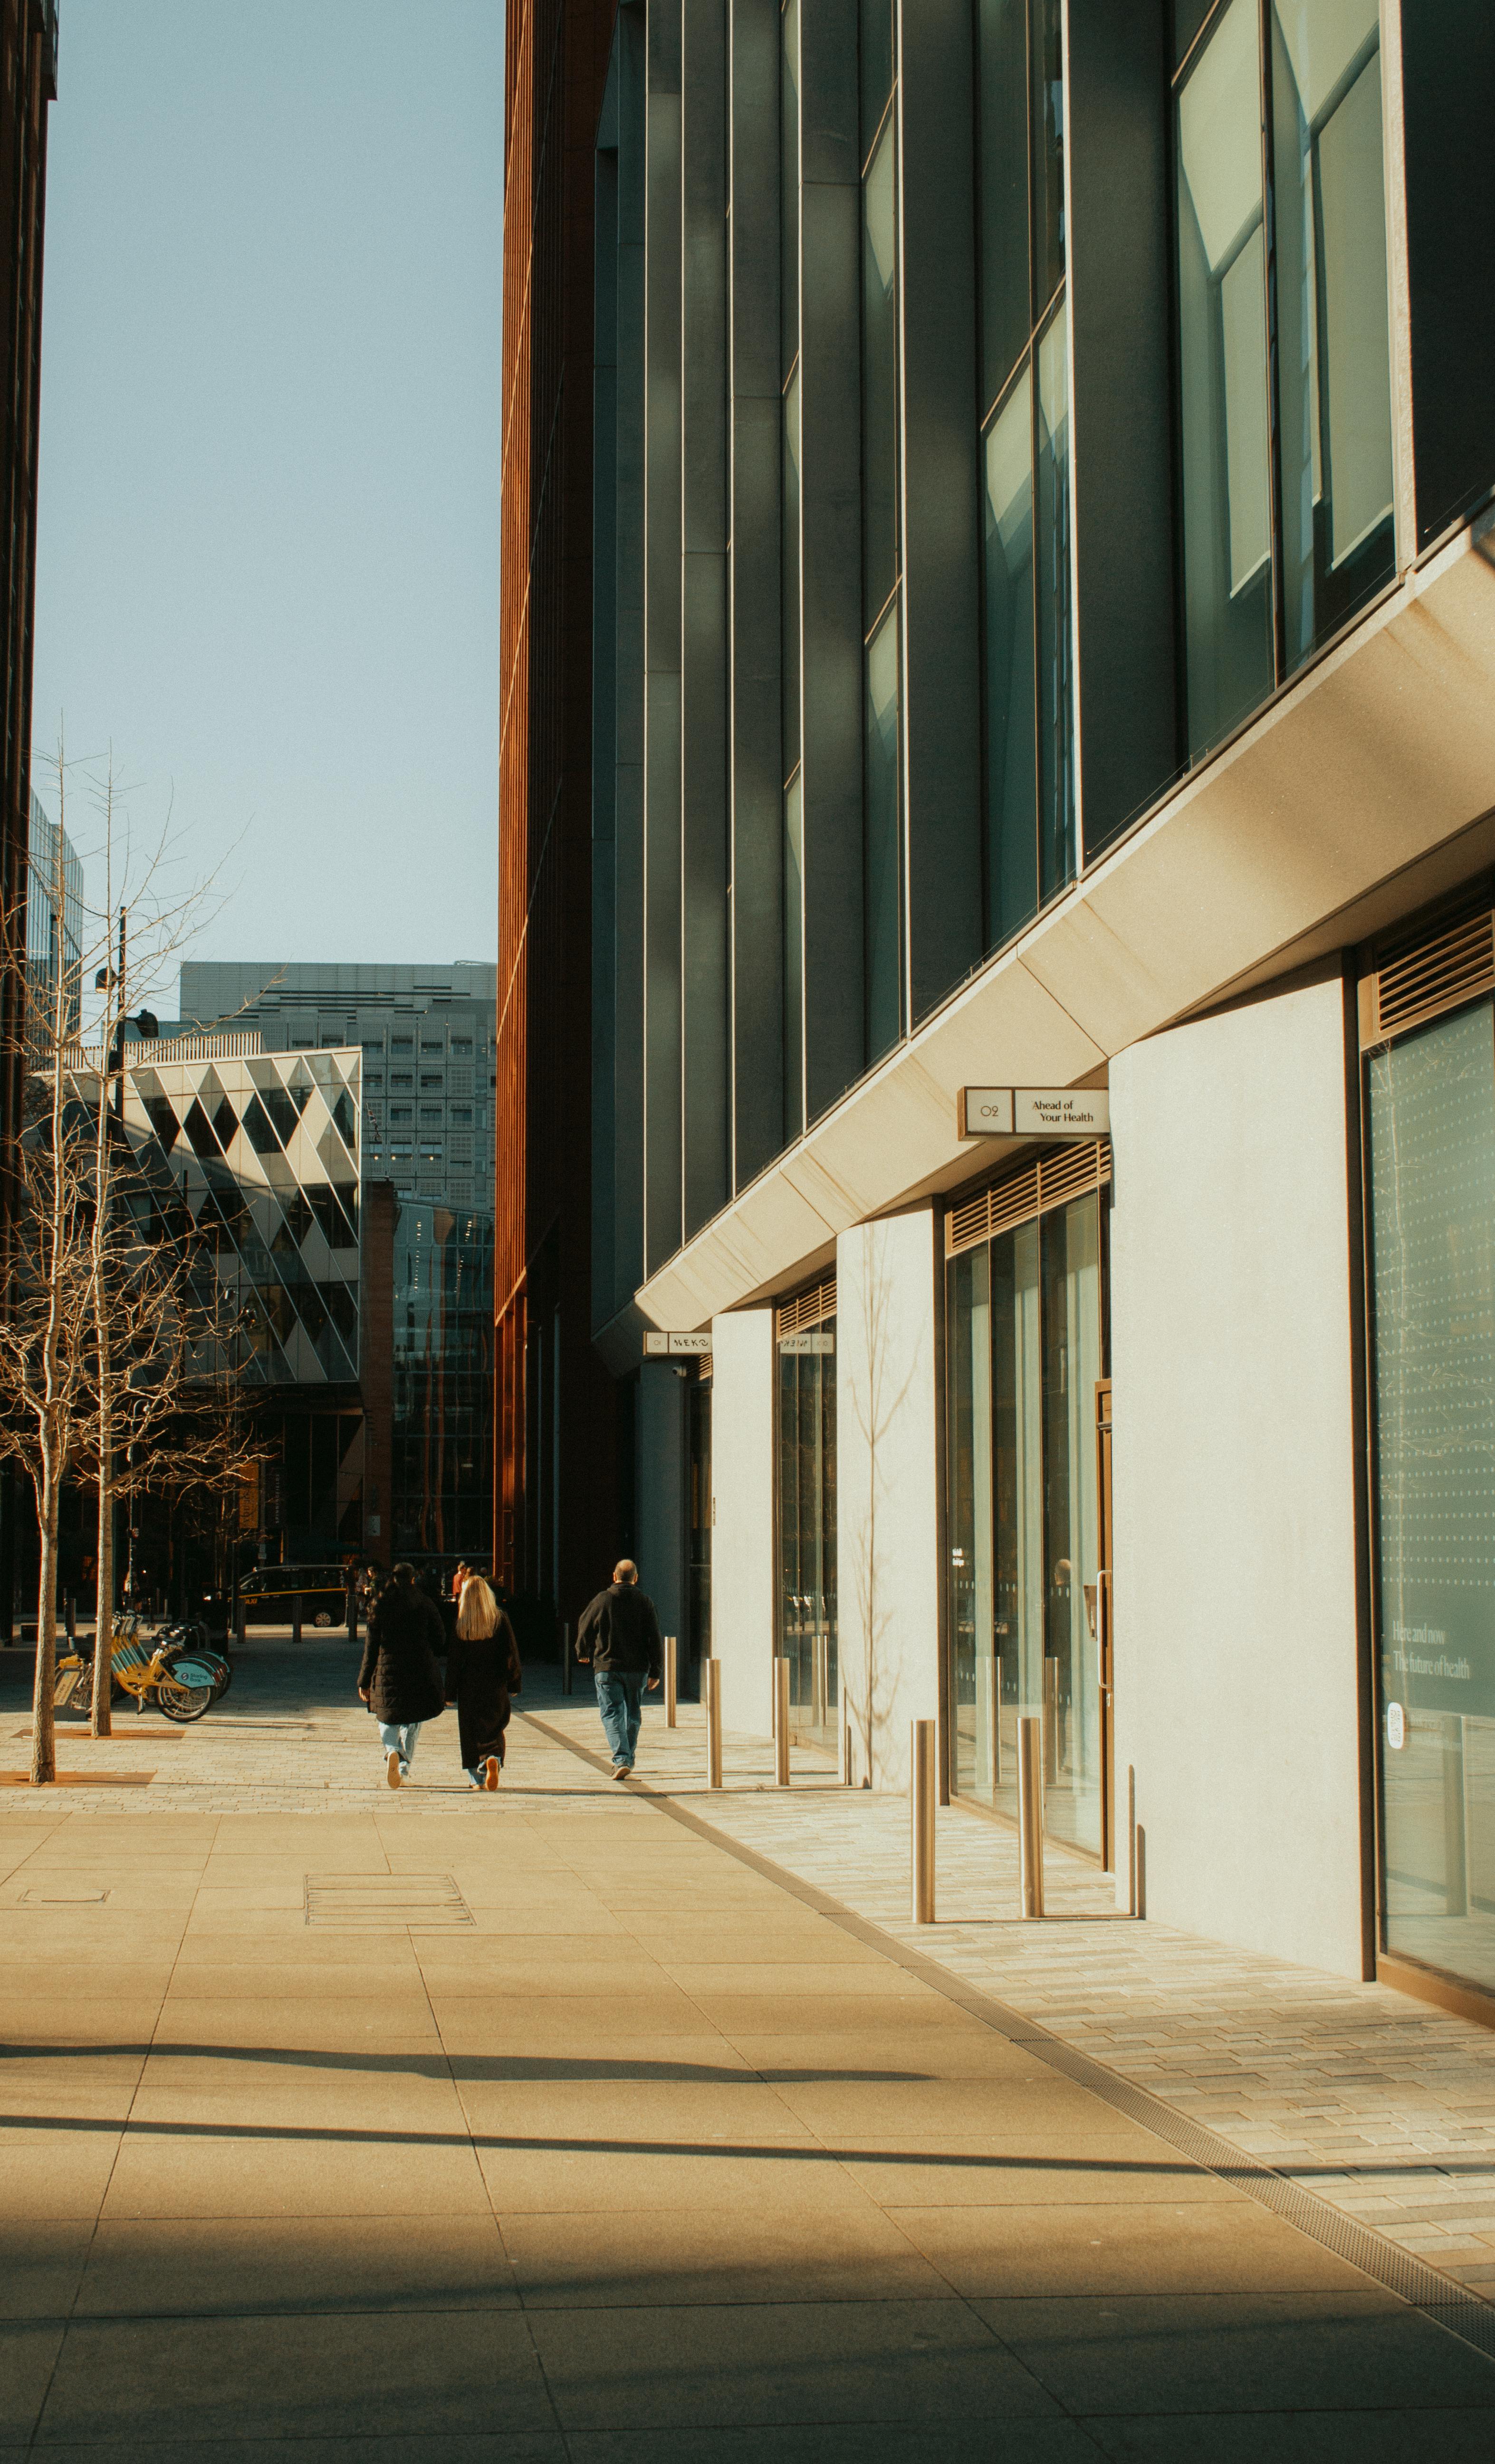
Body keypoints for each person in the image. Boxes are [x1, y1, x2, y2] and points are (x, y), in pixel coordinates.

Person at [357, 1561, 447, 1788]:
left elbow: (371, 1647)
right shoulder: (424, 1603)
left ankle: (392, 1751)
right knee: (412, 1720)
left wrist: (364, 1680)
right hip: (419, 1670)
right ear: (413, 1579)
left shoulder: (380, 1604)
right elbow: (440, 1639)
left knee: (386, 1716)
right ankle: (404, 1768)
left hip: (386, 1670)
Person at [574, 1559, 662, 1780]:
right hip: (637, 1669)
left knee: (612, 1713)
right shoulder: (645, 1602)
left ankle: (622, 1759)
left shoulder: (603, 1599)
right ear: (635, 1578)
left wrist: (583, 1651)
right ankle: (627, 1758)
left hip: (607, 1667)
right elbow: (654, 1638)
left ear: (614, 1577)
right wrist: (656, 1671)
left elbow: (584, 1623)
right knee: (633, 1713)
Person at [446, 1575, 523, 1790]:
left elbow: (454, 1662)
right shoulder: (500, 1619)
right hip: (496, 1683)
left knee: (470, 1731)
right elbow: (512, 1653)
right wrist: (515, 1683)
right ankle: (493, 1758)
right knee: (496, 1726)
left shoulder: (461, 1624)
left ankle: (476, 1778)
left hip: (469, 1686)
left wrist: (449, 1693)